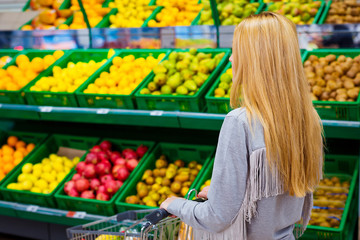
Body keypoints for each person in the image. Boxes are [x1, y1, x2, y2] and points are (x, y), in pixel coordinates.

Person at [160, 12, 324, 240]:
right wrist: (223, 196)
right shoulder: (308, 118)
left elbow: (216, 218)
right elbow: (277, 195)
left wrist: (176, 204)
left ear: (254, 60)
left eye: (236, 51)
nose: (230, 59)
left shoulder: (240, 122)